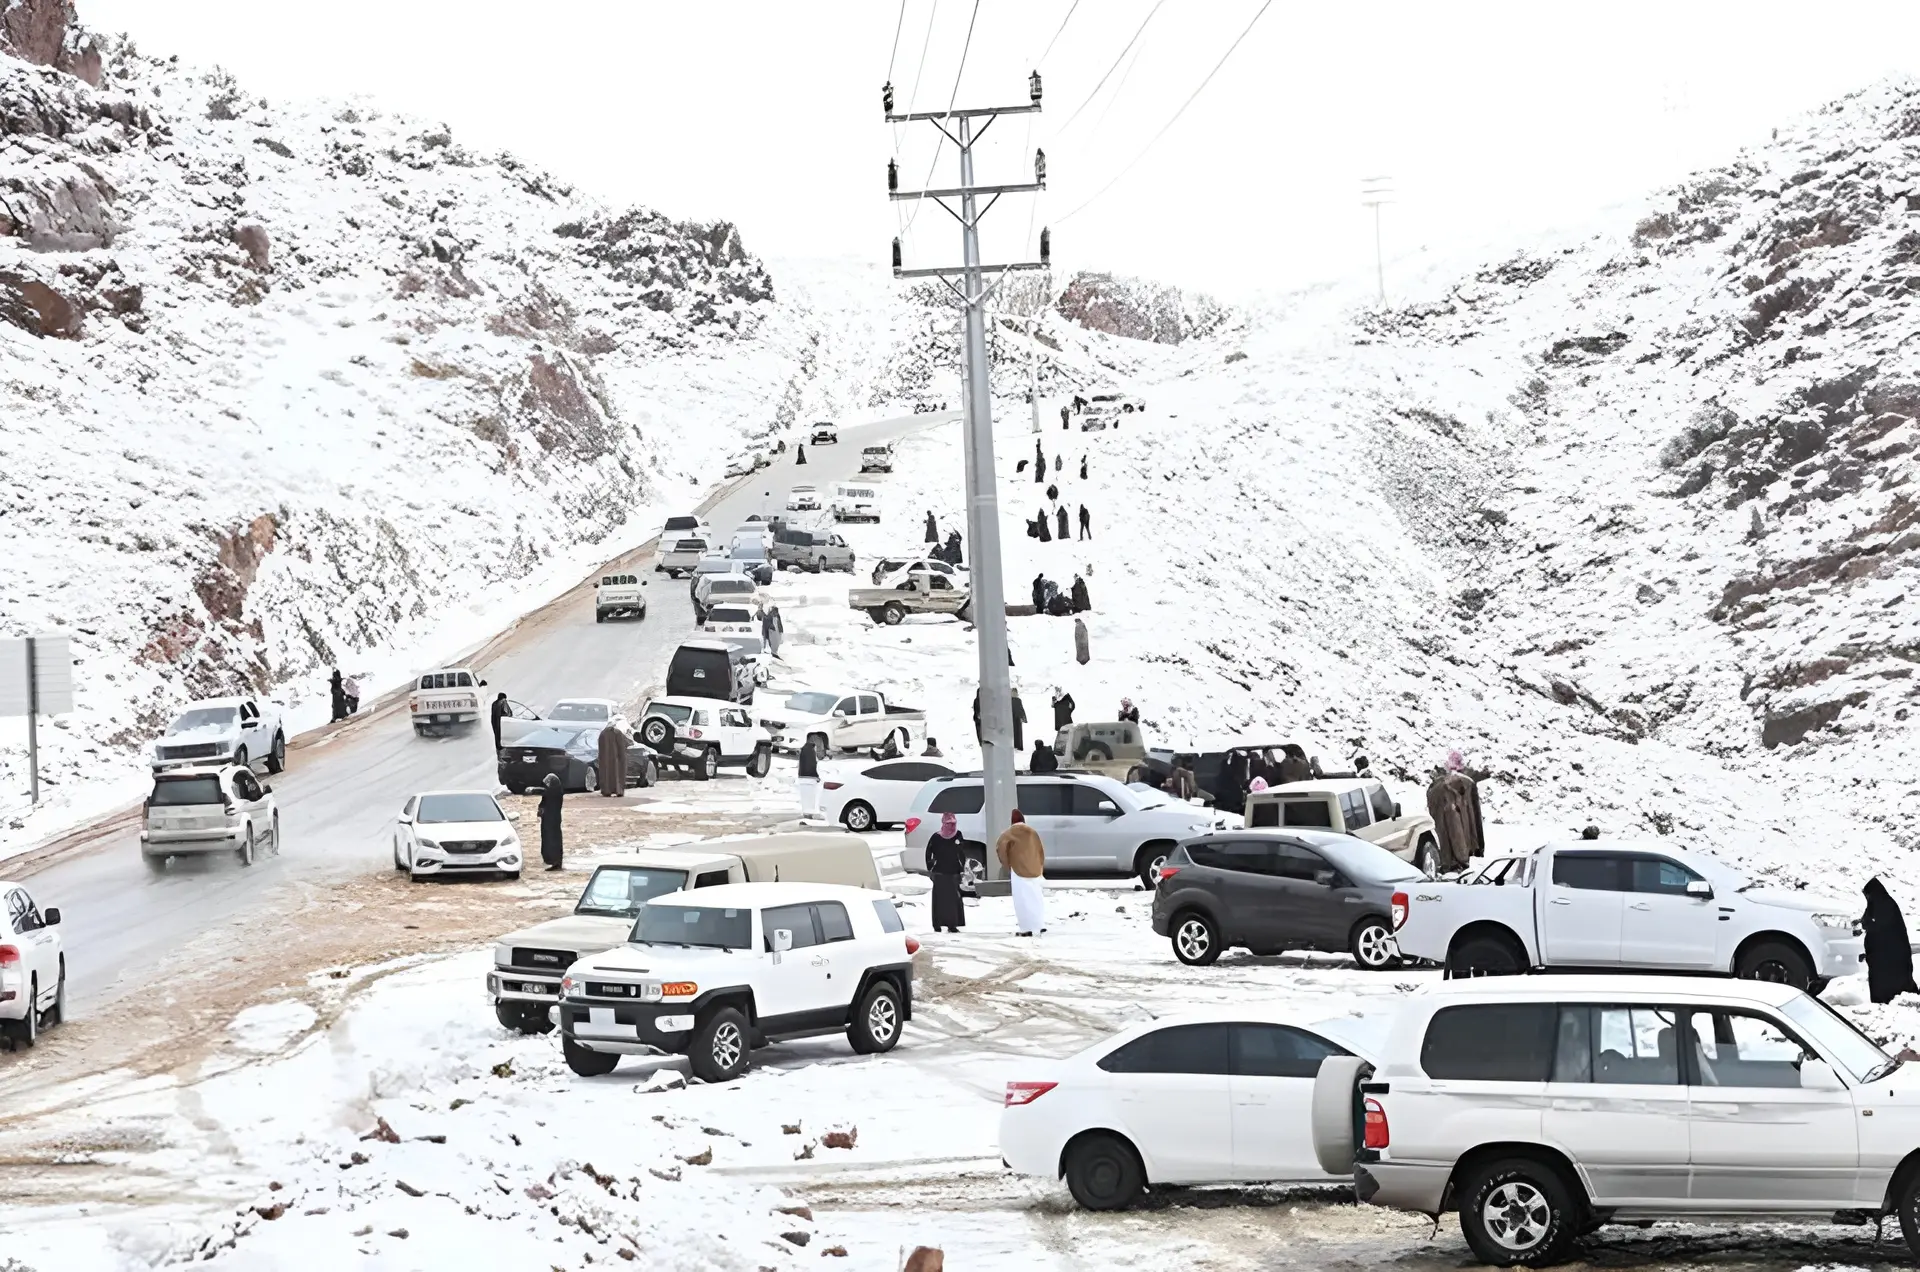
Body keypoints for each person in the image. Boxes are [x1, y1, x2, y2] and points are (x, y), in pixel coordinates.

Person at [1425, 751, 1486, 871]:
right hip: (1467, 851)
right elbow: (1475, 821)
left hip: (1445, 854)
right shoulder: (1467, 785)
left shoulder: (1436, 788)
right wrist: (1478, 850)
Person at [1863, 878, 1918, 1004]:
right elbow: (1868, 921)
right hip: (1882, 957)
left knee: (1895, 980)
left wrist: (1870, 927)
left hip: (1893, 954)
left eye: (1868, 894)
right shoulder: (1875, 904)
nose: (1867, 897)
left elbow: (1882, 927)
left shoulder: (1886, 905)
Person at [998, 810, 1047, 936]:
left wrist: (1007, 865)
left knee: (1022, 899)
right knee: (1036, 897)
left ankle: (1026, 928)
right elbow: (1040, 850)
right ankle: (1039, 925)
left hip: (1018, 870)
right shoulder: (1032, 832)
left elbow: (1000, 849)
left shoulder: (1008, 833)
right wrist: (1039, 865)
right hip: (1035, 869)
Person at [925, 812, 968, 933]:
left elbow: (962, 853)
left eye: (953, 824)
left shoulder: (958, 835)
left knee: (953, 900)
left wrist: (962, 868)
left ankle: (952, 924)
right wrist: (931, 868)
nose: (951, 827)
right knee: (939, 900)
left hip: (953, 873)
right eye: (949, 824)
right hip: (939, 873)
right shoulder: (936, 837)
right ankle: (937, 925)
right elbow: (929, 853)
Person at [538, 772, 565, 870]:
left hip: (553, 820)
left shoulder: (555, 793)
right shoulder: (548, 794)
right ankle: (549, 859)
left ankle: (556, 861)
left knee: (553, 839)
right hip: (547, 820)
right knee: (547, 838)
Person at [596, 723, 629, 797]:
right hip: (618, 759)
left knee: (606, 772)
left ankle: (607, 790)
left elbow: (600, 748)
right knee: (618, 772)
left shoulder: (603, 734)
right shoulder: (619, 733)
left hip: (606, 759)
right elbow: (624, 746)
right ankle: (618, 790)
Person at [797, 738, 822, 817]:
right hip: (811, 777)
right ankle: (809, 813)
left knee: (805, 796)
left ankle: (806, 813)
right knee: (811, 797)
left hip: (803, 776)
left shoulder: (803, 750)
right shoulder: (812, 751)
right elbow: (813, 765)